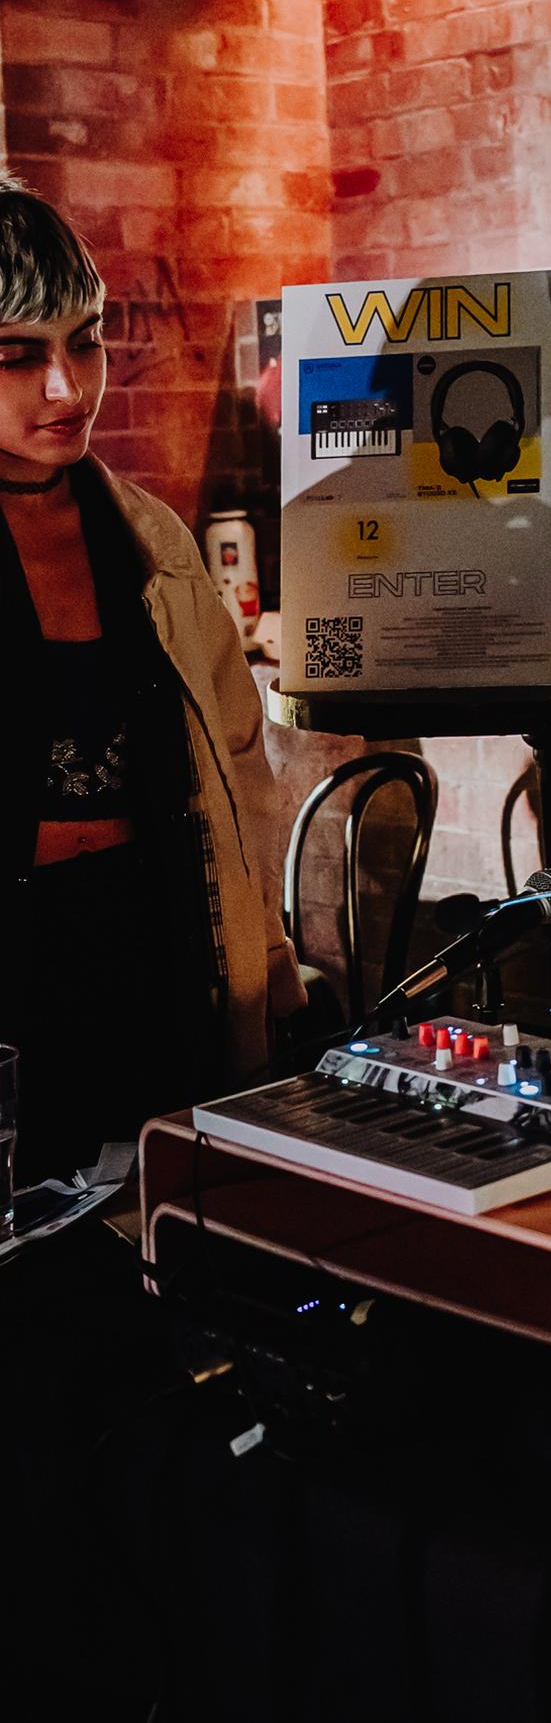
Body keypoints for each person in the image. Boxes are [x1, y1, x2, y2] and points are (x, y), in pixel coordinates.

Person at [0, 179, 302, 1181]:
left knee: (157, 1262)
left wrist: (269, 959)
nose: (65, 387)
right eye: (19, 357)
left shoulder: (151, 544)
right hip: (16, 974)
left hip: (154, 947)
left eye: (82, 342)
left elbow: (239, 772)